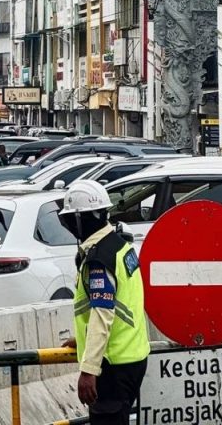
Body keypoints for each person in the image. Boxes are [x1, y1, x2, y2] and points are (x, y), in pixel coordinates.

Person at [58, 180, 149, 425]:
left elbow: (103, 313)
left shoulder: (99, 259)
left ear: (80, 219)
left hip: (113, 366)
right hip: (132, 358)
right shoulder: (119, 246)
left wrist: (89, 370)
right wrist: (84, 341)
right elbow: (121, 304)